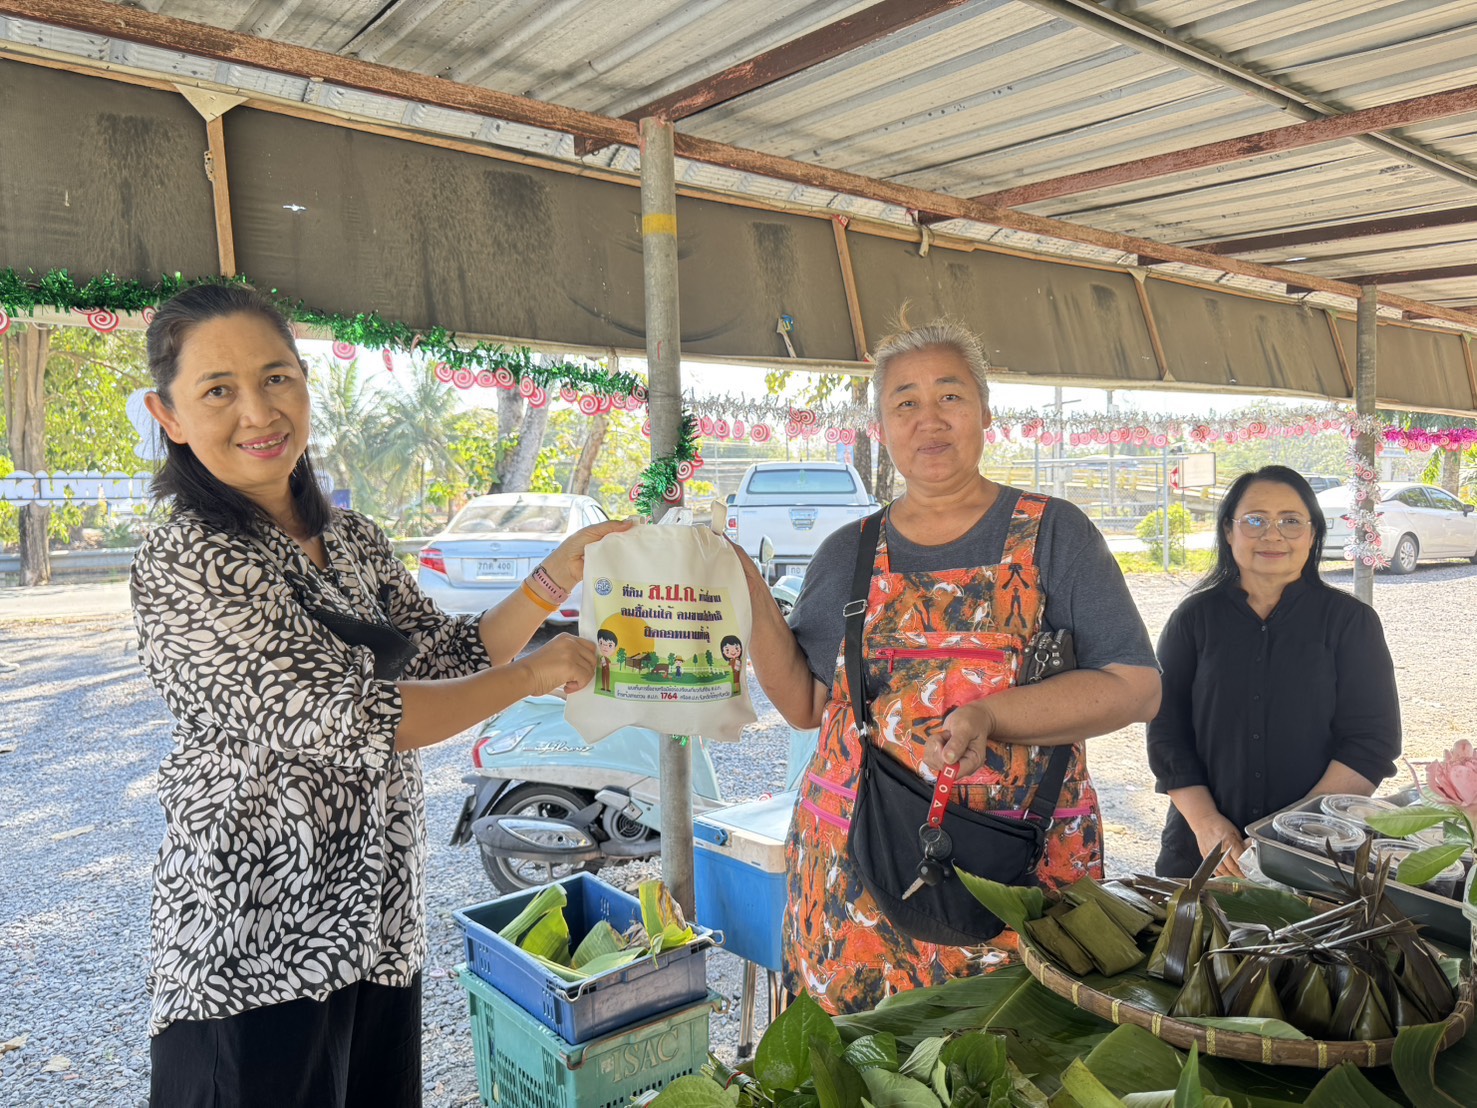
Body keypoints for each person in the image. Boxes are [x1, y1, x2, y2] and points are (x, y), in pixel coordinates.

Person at [132, 284, 624, 1107]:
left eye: (277, 377)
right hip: (254, 939)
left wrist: (555, 575)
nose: (258, 410)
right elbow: (354, 718)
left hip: (374, 922)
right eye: (219, 390)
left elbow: (448, 655)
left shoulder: (350, 539)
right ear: (171, 415)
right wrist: (535, 675)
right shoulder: (190, 556)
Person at [738, 320, 1161, 1014]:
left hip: (1017, 864)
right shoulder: (847, 551)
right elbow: (807, 706)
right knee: (864, 1062)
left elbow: (1135, 686)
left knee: (1004, 1063)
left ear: (986, 413)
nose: (928, 420)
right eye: (904, 402)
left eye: (949, 396)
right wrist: (751, 598)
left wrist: (991, 716)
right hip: (855, 870)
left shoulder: (1054, 533)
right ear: (879, 426)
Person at [1146, 466, 1401, 879]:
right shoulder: (1194, 619)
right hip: (1204, 852)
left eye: (1290, 521)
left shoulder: (1350, 622)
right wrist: (1206, 823)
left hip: (1317, 852)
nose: (1272, 534)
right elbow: (1167, 734)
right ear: (1228, 532)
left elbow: (1371, 742)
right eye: (1255, 520)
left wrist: (1289, 833)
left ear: (1313, 533)